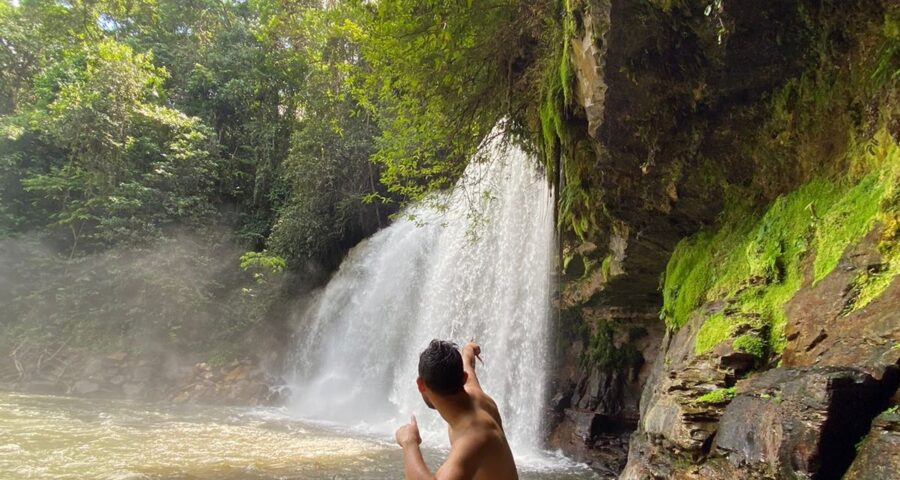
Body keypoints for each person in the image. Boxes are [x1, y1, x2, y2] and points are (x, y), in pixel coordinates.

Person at [394, 339, 519, 480]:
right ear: (463, 378)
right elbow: (468, 364)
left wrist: (409, 442)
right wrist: (468, 349)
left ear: (420, 385)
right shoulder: (476, 393)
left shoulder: (474, 438)